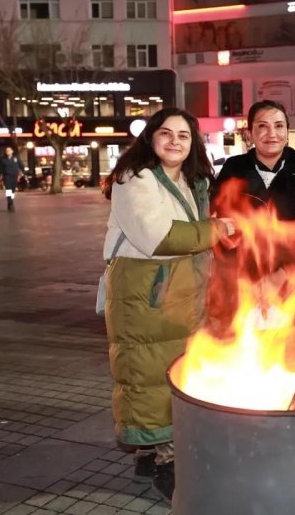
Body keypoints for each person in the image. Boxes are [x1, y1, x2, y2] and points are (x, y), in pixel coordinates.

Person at [102, 107, 236, 504]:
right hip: (147, 292)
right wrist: (215, 230)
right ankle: (166, 461)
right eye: (166, 133)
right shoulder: (134, 177)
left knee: (174, 369)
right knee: (151, 374)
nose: (175, 141)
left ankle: (150, 453)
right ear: (151, 138)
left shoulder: (192, 181)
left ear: (193, 143)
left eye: (183, 135)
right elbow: (157, 236)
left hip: (180, 290)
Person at [213, 100, 295, 224]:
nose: (272, 134)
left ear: (287, 133)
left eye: (279, 126)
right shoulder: (233, 169)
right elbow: (219, 215)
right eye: (262, 126)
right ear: (249, 134)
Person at [0, 146, 24, 212]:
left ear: (12, 151)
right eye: (7, 151)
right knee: (8, 190)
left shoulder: (16, 158)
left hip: (14, 176)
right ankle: (11, 203)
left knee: (13, 190)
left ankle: (10, 201)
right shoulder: (2, 159)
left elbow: (21, 166)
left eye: (9, 150)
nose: (8, 152)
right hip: (6, 176)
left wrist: (22, 172)